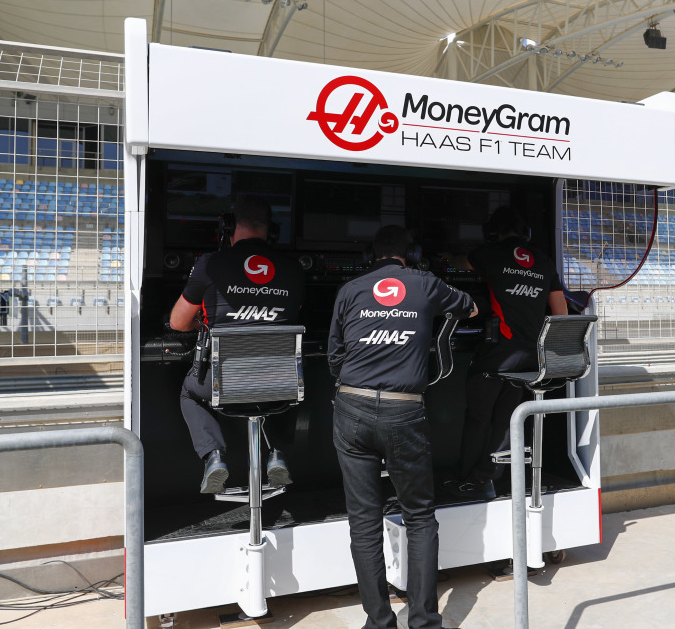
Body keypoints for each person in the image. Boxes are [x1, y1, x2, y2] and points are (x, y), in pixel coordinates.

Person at [329, 225, 477, 629]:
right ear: (411, 254)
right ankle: (425, 622)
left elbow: (334, 357)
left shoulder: (349, 290)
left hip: (351, 406)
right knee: (419, 517)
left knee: (363, 521)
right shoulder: (426, 283)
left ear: (370, 255)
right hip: (404, 410)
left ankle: (378, 621)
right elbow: (471, 309)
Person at [169, 193, 305, 494]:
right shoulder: (293, 269)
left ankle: (214, 456)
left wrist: (204, 324)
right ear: (272, 231)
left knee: (189, 393)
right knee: (290, 384)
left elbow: (178, 322)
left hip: (225, 384)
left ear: (229, 227)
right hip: (278, 384)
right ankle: (278, 453)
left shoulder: (211, 264)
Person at [447, 205, 568, 500]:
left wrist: (447, 258)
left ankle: (467, 480)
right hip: (530, 358)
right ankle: (489, 478)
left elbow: (460, 264)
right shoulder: (544, 261)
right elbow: (561, 314)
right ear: (526, 232)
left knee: (479, 418)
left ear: (493, 233)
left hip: (498, 353)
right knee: (505, 419)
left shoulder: (490, 253)